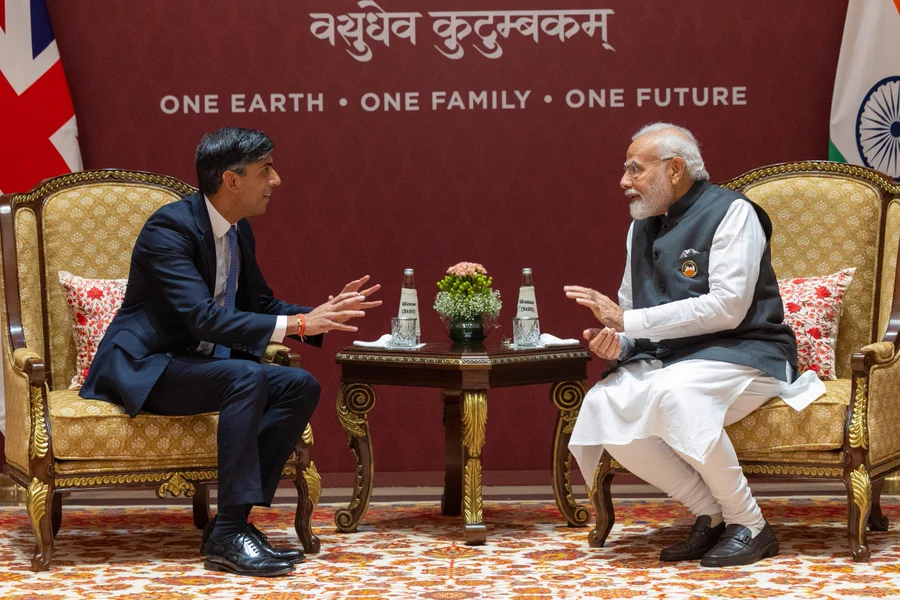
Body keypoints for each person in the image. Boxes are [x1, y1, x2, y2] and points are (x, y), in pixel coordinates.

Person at [81, 127, 382, 577]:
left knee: (299, 385)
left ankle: (229, 525)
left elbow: (259, 306)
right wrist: (299, 325)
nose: (276, 180)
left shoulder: (237, 232)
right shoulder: (169, 228)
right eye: (266, 170)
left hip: (195, 364)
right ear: (232, 180)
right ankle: (229, 534)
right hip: (147, 366)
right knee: (247, 375)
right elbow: (202, 318)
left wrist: (319, 315)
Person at [565, 123, 825, 567]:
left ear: (674, 169)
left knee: (676, 394)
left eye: (635, 169)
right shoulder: (640, 228)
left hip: (748, 351)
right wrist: (620, 344)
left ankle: (751, 524)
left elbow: (728, 307)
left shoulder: (733, 213)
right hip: (675, 359)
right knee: (605, 403)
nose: (624, 181)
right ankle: (710, 513)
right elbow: (632, 309)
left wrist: (628, 321)